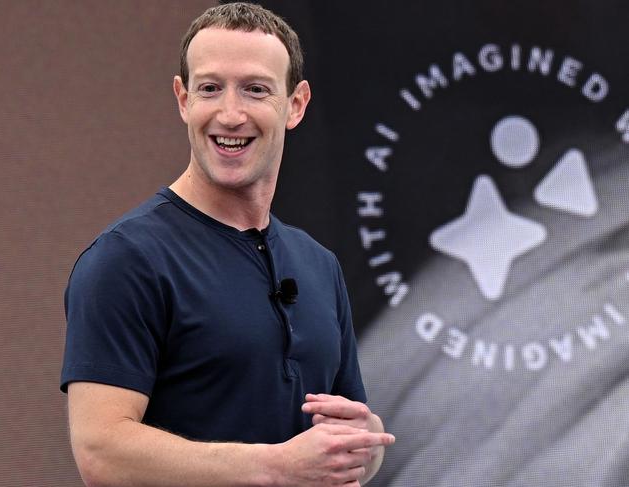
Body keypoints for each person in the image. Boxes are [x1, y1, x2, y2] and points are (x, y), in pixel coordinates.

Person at [60, 3, 394, 486]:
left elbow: (349, 441)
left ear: (296, 104)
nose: (230, 114)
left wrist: (367, 442)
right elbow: (101, 452)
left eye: (255, 90)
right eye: (210, 88)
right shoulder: (125, 260)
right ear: (182, 99)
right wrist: (277, 468)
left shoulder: (319, 265)